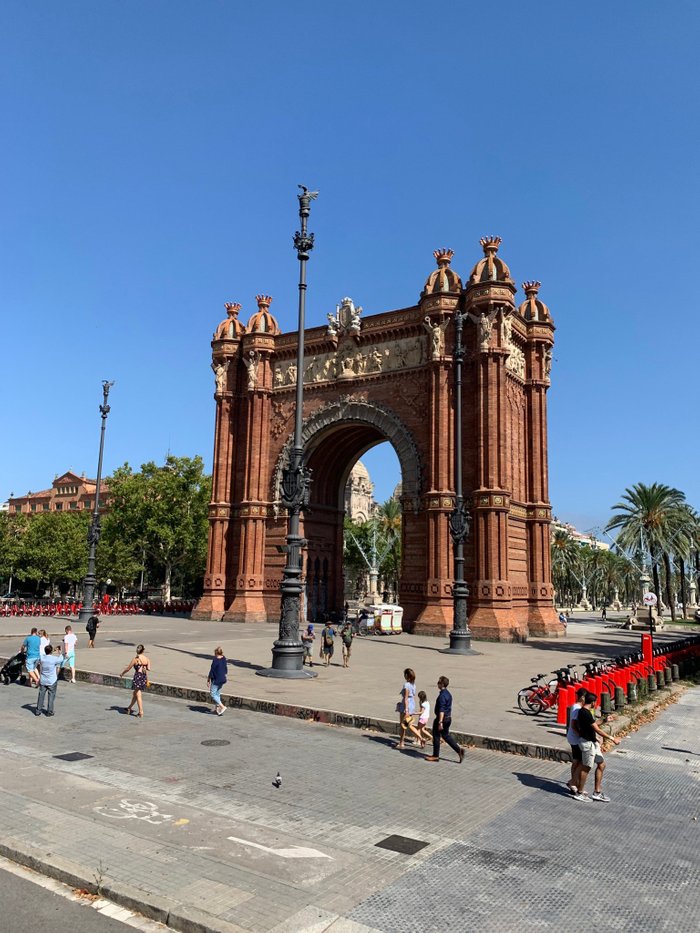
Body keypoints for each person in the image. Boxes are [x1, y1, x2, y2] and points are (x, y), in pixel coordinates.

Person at [572, 692, 620, 802]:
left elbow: (593, 724)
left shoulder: (585, 712)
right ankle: (580, 793)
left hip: (593, 743)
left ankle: (597, 792)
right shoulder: (584, 713)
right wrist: (612, 739)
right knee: (586, 767)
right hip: (587, 744)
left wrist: (604, 720)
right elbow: (597, 729)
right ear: (593, 702)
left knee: (601, 765)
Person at [425, 675, 464, 763]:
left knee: (436, 735)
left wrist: (440, 722)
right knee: (446, 736)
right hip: (448, 718)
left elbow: (441, 709)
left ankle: (435, 756)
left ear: (442, 684)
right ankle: (459, 750)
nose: (437, 684)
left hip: (442, 719)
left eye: (438, 682)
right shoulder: (448, 694)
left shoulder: (442, 696)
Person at [565, 687, 588, 793]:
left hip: (574, 737)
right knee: (577, 761)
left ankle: (575, 782)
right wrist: (581, 735)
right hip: (575, 738)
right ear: (582, 697)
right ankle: (573, 782)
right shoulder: (576, 708)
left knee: (577, 760)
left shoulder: (577, 707)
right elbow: (574, 725)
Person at [119, 644, 151, 718]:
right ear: (143, 650)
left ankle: (141, 712)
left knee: (138, 694)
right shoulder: (147, 659)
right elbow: (148, 669)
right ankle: (129, 708)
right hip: (144, 677)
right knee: (135, 693)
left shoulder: (136, 659)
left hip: (138, 677)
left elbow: (128, 668)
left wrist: (122, 673)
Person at [396, 668, 422, 749]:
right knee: (409, 724)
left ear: (407, 676)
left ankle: (401, 743)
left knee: (403, 725)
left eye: (405, 674)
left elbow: (406, 698)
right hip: (412, 704)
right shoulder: (413, 685)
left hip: (406, 705)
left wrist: (406, 710)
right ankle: (421, 738)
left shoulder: (406, 685)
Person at [35, 645, 63, 716]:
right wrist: (60, 652)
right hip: (52, 680)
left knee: (41, 695)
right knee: (51, 696)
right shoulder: (54, 659)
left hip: (43, 680)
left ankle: (38, 711)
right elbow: (61, 658)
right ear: (51, 651)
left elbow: (37, 662)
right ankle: (49, 711)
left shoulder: (42, 658)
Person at [207, 646, 227, 715]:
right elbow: (225, 669)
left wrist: (208, 679)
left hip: (216, 679)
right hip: (222, 679)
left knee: (212, 694)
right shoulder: (224, 658)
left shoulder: (215, 660)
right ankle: (216, 710)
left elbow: (212, 670)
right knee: (217, 693)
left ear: (216, 653)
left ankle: (222, 706)